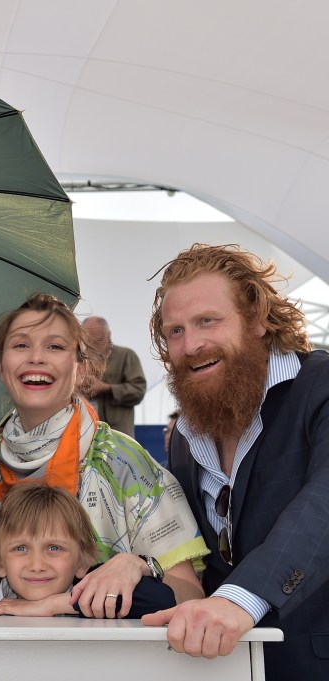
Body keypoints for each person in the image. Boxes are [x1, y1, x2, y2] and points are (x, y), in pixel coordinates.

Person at [141, 244, 328, 678]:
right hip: (223, 667)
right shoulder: (186, 439)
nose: (191, 345)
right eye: (175, 331)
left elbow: (323, 502)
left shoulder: (318, 386)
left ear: (258, 319)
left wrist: (238, 599)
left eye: (208, 320)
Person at [0, 293, 207, 617]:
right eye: (21, 345)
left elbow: (190, 594)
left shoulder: (125, 463)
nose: (36, 357)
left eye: (54, 346)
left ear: (81, 371)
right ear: (1, 367)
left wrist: (135, 566)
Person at [0, 482, 174, 618]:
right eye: (20, 548)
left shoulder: (93, 587)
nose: (37, 565)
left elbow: (160, 600)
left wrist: (53, 605)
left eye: (54, 548)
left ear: (82, 560)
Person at [81, 316, 147, 436]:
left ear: (109, 335)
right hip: (85, 434)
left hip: (118, 436)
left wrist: (107, 388)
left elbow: (139, 390)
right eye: (88, 342)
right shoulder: (76, 359)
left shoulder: (126, 356)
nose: (93, 347)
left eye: (98, 341)